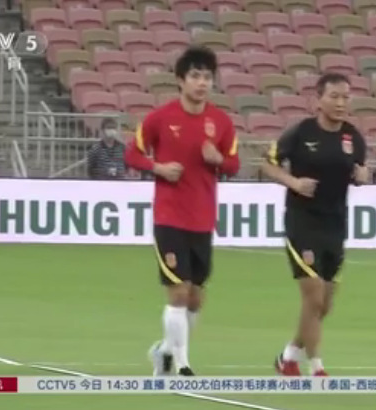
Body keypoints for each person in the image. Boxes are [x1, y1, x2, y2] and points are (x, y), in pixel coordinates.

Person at [124, 45, 240, 377]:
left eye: (207, 77)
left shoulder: (221, 122)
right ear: (180, 80)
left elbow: (234, 164)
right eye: (195, 76)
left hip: (202, 219)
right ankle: (183, 365)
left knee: (195, 298)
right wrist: (158, 168)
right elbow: (132, 154)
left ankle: (163, 351)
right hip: (170, 217)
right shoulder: (160, 118)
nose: (202, 83)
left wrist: (219, 160)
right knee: (177, 292)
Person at [261, 73, 369, 377]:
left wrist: (363, 176)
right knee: (314, 296)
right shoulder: (301, 132)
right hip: (302, 223)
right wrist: (293, 182)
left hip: (335, 224)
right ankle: (316, 366)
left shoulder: (353, 137)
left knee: (323, 305)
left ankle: (288, 356)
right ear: (318, 100)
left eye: (345, 97)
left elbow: (361, 168)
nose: (340, 103)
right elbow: (267, 163)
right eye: (334, 96)